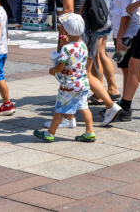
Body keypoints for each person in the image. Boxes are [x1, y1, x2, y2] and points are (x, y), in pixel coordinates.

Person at [50, 0, 122, 128]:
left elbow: (67, 11)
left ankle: (109, 106)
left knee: (76, 72)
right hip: (90, 28)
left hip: (75, 33)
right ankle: (70, 118)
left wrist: (62, 39)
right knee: (84, 72)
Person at [34, 13, 97, 143]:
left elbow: (60, 67)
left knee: (60, 109)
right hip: (83, 83)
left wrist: (52, 70)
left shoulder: (66, 49)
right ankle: (90, 132)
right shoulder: (83, 46)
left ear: (67, 30)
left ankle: (50, 133)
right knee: (84, 107)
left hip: (69, 85)